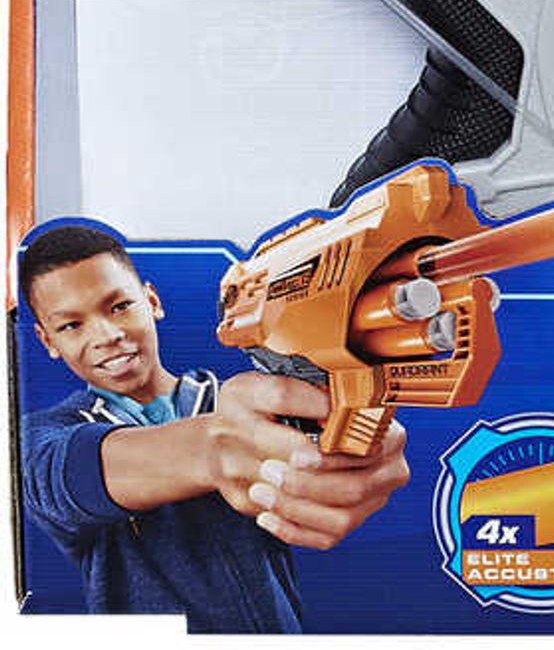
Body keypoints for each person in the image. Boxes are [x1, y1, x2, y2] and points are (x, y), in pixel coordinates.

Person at [19, 221, 410, 631]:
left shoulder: (249, 402)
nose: (107, 335)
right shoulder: (38, 440)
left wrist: (355, 433)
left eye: (119, 306)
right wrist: (214, 449)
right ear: (48, 341)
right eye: (71, 325)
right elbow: (66, 477)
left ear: (152, 301)